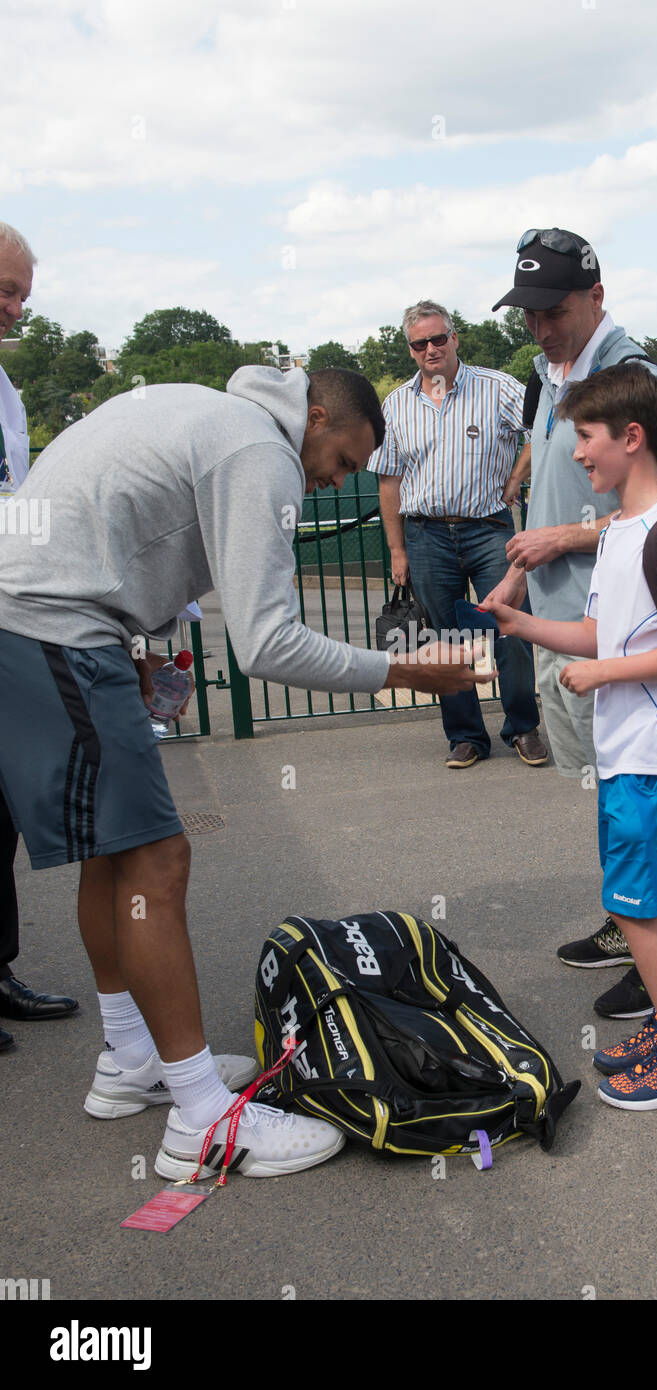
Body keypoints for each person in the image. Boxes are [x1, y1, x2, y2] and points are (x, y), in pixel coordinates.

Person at [0, 362, 494, 1178]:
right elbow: (267, 643)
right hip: (52, 621)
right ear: (315, 414)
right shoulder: (257, 451)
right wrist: (406, 670)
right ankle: (200, 1119)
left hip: (41, 614)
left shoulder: (214, 416)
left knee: (116, 853)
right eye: (340, 458)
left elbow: (105, 522)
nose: (335, 477)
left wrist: (126, 645)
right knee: (159, 858)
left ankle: (131, 1063)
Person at [484, 361, 657, 1108]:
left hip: (645, 754)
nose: (576, 453)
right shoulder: (618, 530)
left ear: (631, 437)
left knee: (634, 908)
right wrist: (525, 626)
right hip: (629, 754)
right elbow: (597, 631)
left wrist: (606, 674)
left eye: (584, 438)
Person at [488, 229, 657, 1019]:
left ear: (595, 297)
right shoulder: (550, 371)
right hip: (568, 614)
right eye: (529, 312)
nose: (539, 326)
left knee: (635, 801)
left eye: (553, 308)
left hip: (619, 637)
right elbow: (550, 493)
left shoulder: (627, 374)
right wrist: (521, 567)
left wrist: (563, 539)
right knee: (610, 790)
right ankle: (632, 926)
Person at [368, 299, 547, 769]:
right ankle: (466, 736)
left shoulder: (497, 387)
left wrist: (515, 479)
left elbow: (542, 432)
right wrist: (396, 549)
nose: (431, 349)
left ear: (455, 338)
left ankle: (523, 728)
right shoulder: (396, 404)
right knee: (444, 639)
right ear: (410, 350)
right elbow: (388, 479)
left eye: (438, 338)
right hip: (426, 536)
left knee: (510, 629)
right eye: (420, 343)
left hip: (489, 531)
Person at [0, 221, 78, 1051]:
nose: (16, 308)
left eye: (21, 292)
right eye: (5, 290)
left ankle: (0, 966)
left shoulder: (7, 390)